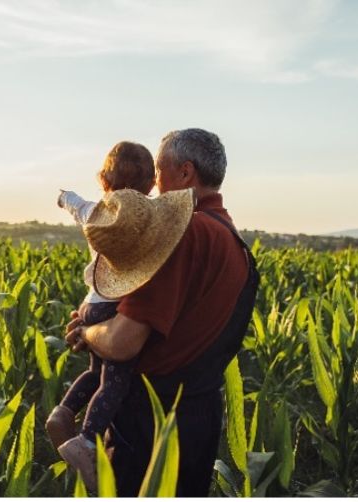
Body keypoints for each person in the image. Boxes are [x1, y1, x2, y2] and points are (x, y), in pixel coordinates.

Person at [64, 128, 260, 496]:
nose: (153, 183)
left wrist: (86, 333)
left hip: (151, 423)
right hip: (199, 418)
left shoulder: (183, 233)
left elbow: (122, 342)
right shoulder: (232, 238)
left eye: (159, 170)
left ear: (185, 174)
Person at [47, 141, 195, 493]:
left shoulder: (96, 213)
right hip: (114, 306)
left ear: (104, 180)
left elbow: (74, 204)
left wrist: (64, 196)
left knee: (93, 373)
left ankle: (63, 412)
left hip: (90, 303)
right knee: (114, 381)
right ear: (149, 184)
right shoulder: (146, 219)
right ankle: (86, 441)